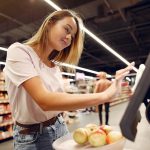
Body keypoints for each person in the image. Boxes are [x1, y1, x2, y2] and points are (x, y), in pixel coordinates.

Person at [3, 9, 134, 150]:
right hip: (31, 137)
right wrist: (105, 95)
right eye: (67, 29)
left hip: (60, 127)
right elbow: (44, 101)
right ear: (49, 24)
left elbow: (60, 100)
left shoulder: (55, 67)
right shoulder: (19, 52)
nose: (69, 37)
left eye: (72, 36)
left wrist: (115, 83)